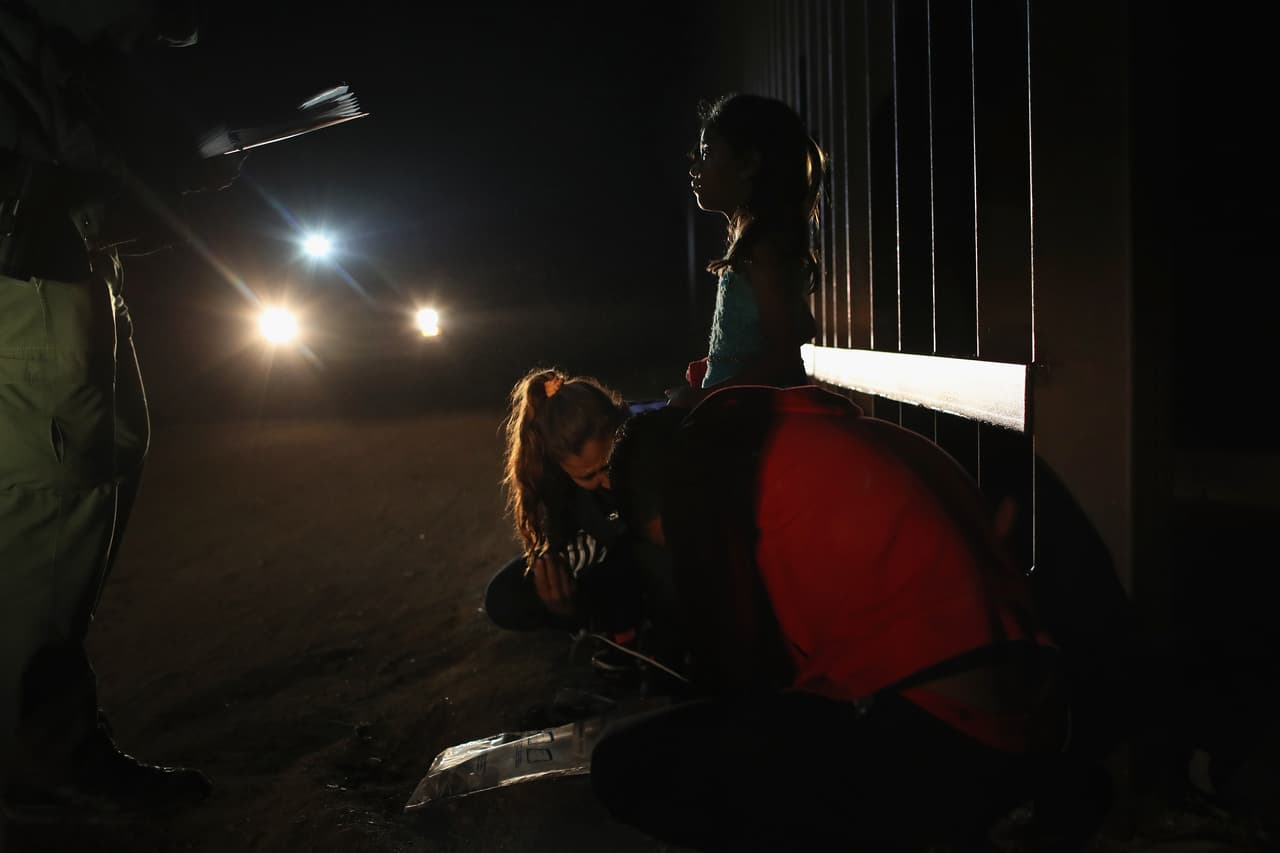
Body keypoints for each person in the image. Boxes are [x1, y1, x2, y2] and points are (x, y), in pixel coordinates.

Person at [591, 385, 1073, 851]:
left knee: (628, 764)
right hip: (1035, 717)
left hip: (958, 743)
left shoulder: (744, 497)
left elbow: (754, 680)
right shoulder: (805, 435)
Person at [1, 0, 239, 822]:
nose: (152, 37)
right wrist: (131, 191)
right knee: (53, 510)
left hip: (65, 272)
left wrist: (162, 177)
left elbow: (70, 152)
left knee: (94, 477)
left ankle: (46, 739)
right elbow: (42, 184)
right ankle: (37, 759)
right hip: (28, 277)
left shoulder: (45, 45)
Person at [483, 368, 672, 675]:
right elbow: (571, 548)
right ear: (562, 467)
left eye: (609, 465)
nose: (607, 482)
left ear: (620, 424)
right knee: (505, 596)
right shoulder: (558, 486)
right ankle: (607, 630)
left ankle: (635, 630)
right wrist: (567, 609)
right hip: (608, 554)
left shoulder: (649, 435)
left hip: (650, 557)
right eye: (589, 476)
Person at [678, 93, 825, 400]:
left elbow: (782, 356)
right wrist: (716, 365)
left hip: (754, 420)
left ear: (748, 165)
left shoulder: (764, 248)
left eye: (706, 153)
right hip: (743, 413)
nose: (695, 169)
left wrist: (705, 397)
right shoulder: (756, 244)